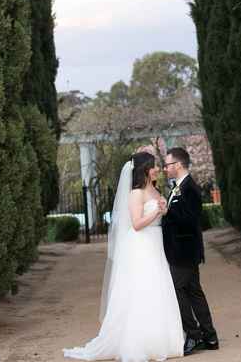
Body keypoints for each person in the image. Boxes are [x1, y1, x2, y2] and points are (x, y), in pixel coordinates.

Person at [63, 152, 184, 362]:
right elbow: (136, 224)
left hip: (156, 243)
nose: (157, 169)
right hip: (143, 245)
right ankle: (142, 342)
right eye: (154, 166)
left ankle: (163, 339)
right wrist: (157, 213)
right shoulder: (136, 193)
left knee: (159, 286)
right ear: (145, 169)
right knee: (144, 288)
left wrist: (162, 211)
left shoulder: (154, 189)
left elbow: (155, 215)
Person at [162, 147, 219, 355]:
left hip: (184, 251)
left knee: (178, 291)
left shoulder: (190, 188)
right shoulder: (178, 187)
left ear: (178, 165)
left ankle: (194, 336)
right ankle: (210, 337)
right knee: (194, 292)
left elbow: (190, 220)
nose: (165, 168)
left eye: (167, 165)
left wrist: (168, 212)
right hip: (180, 250)